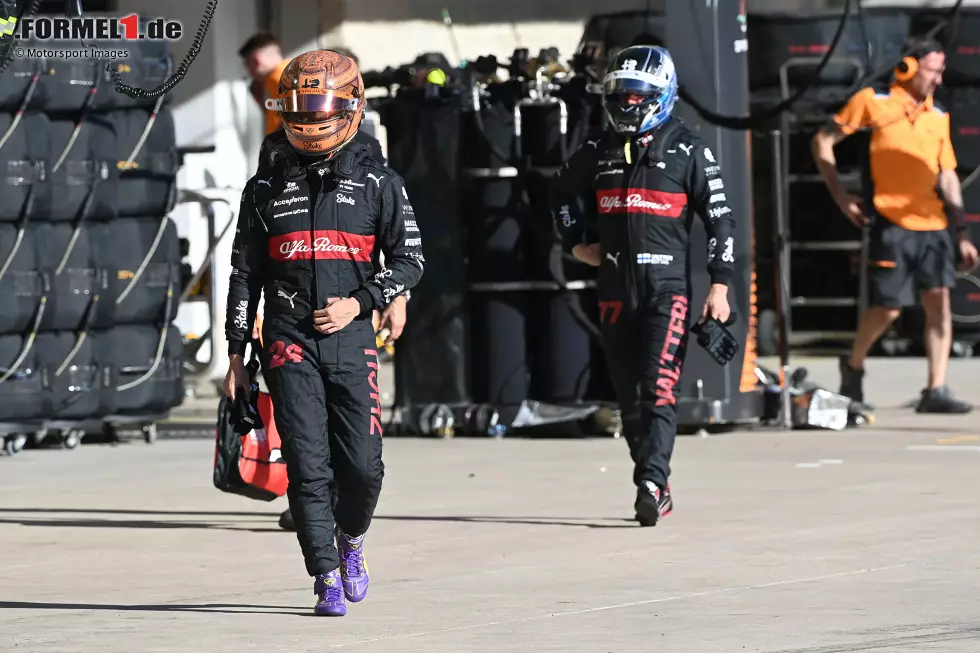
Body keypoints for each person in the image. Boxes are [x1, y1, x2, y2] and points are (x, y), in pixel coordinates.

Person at [224, 49, 424, 616]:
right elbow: (244, 274)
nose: (310, 121)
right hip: (286, 339)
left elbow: (409, 262)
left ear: (350, 106)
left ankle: (351, 542)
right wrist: (237, 356)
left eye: (321, 109)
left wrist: (360, 304)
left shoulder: (380, 182)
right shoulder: (262, 189)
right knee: (308, 466)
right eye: (299, 110)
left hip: (351, 338)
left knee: (362, 467)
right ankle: (325, 575)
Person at [549, 45, 737, 527]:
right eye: (621, 95)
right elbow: (560, 194)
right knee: (629, 397)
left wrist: (720, 285)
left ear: (662, 94)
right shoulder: (598, 150)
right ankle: (652, 481)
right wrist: (576, 244)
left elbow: (721, 221)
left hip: (668, 289)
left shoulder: (690, 148)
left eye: (638, 96)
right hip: (613, 288)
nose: (628, 104)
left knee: (658, 388)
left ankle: (652, 482)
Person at [811, 36, 979, 414]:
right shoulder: (873, 103)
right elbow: (822, 142)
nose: (939, 79)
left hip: (934, 225)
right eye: (934, 71)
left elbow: (948, 174)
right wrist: (840, 195)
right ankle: (853, 366)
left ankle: (935, 388)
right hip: (891, 222)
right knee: (889, 308)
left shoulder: (938, 116)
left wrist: (961, 230)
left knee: (939, 302)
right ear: (908, 68)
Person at [238, 32, 290, 136]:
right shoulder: (289, 72)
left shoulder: (278, 78)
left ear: (257, 61)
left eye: (248, 65)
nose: (249, 72)